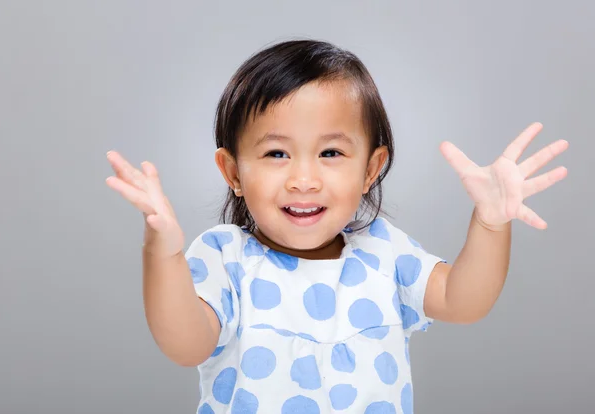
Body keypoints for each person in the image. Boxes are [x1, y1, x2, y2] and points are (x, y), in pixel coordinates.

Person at [105, 39, 568, 414]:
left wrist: (490, 223)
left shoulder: (383, 251)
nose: (303, 180)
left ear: (371, 169)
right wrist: (162, 253)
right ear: (233, 173)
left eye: (330, 153)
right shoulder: (226, 257)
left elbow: (463, 301)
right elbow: (186, 345)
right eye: (276, 153)